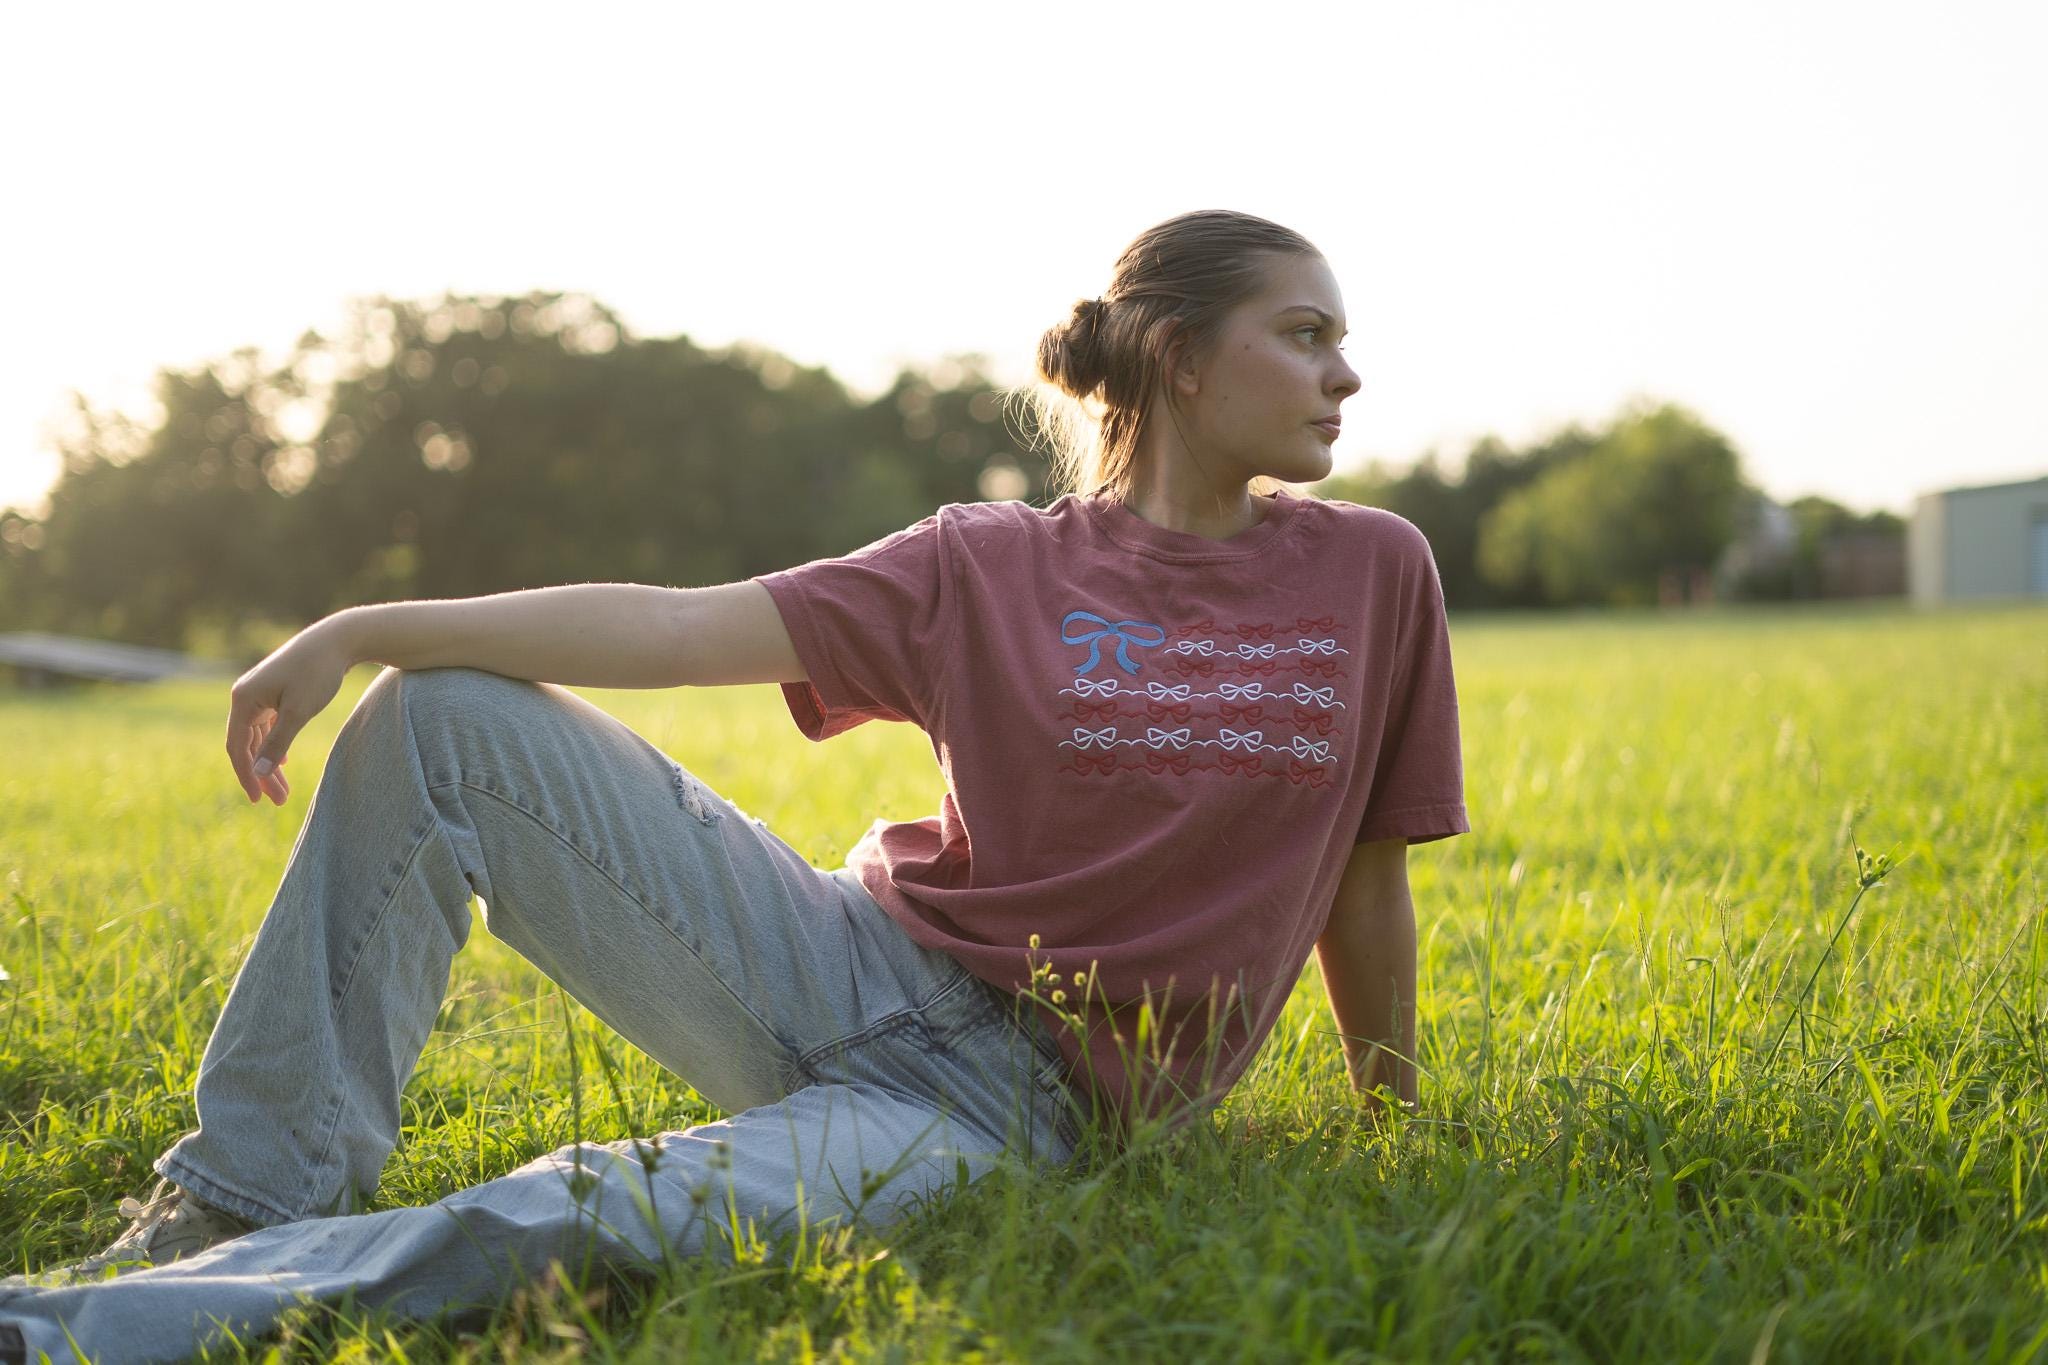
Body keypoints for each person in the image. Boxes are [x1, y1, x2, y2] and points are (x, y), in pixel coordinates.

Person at [0, 208, 1468, 1363]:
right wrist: (362, 627)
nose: (1344, 373)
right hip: (846, 961)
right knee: (436, 713)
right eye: (1306, 335)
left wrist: (1392, 1125)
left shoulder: (1372, 570)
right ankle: (234, 1198)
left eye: (1341, 341)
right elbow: (677, 627)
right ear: (1180, 355)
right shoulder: (987, 560)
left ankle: (58, 1335)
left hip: (1007, 1110)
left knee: (568, 1218)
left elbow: (1367, 876)